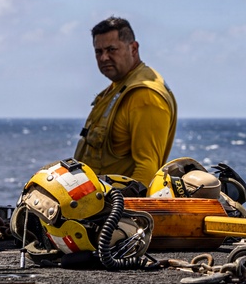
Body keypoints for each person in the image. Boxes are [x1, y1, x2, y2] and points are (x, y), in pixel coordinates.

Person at [74, 17, 177, 184]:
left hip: (117, 207)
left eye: (111, 49)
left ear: (133, 49)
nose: (104, 58)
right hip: (96, 204)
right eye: (98, 52)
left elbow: (147, 170)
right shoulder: (117, 88)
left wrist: (123, 208)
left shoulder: (145, 95)